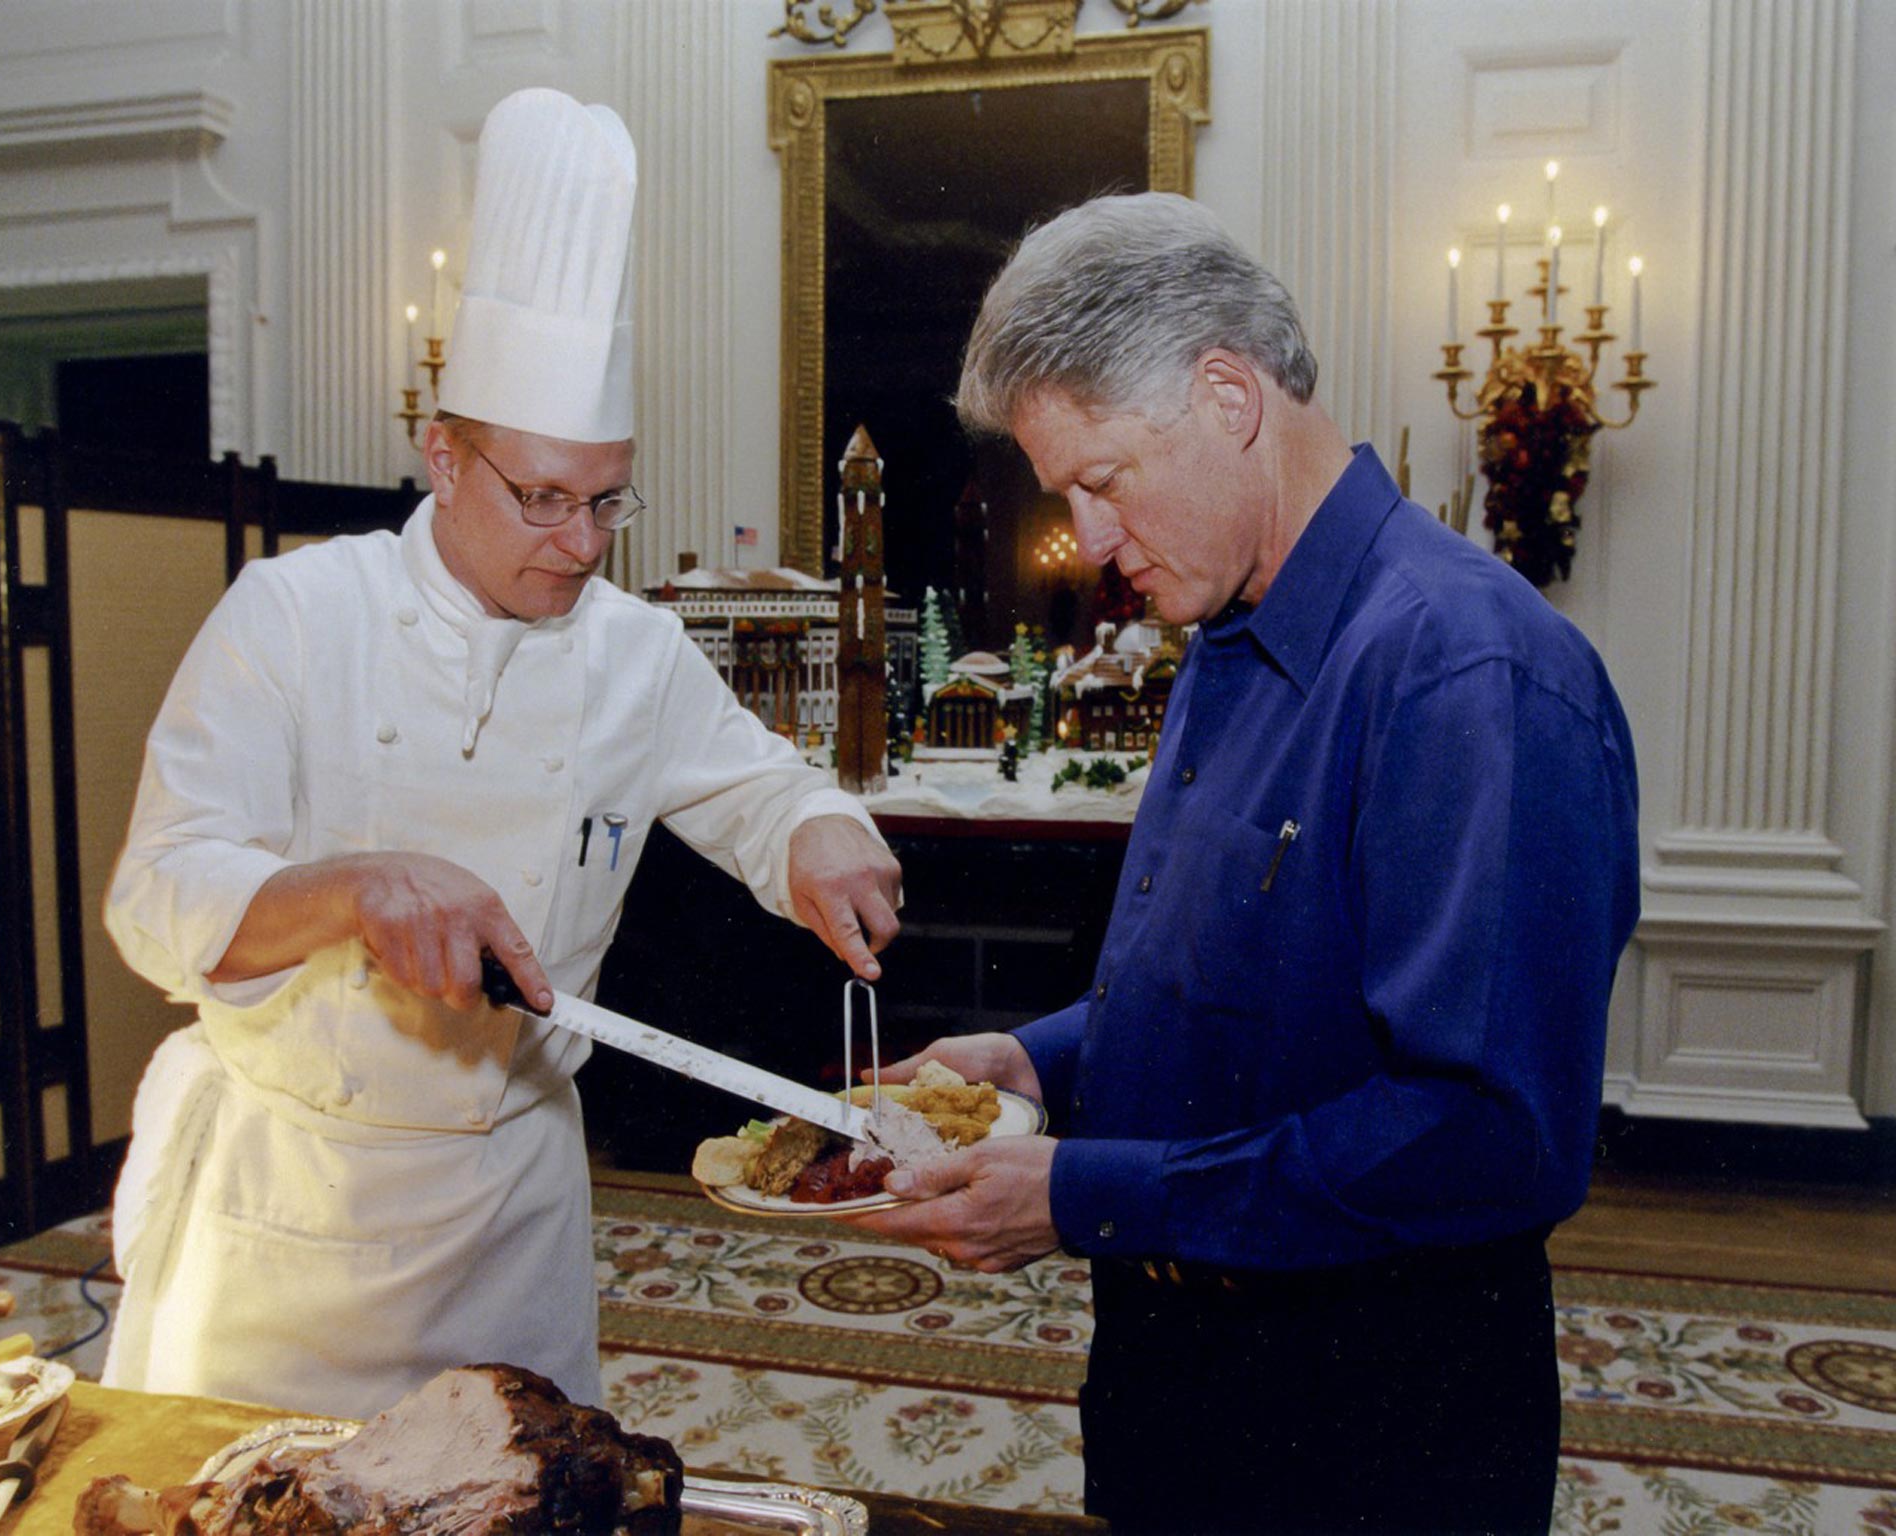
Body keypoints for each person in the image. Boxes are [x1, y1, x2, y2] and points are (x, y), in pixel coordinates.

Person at [847, 192, 1639, 1535]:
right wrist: (1040, 1062)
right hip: (1183, 1385)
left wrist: (1086, 1193)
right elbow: (1243, 994)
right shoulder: (1224, 633)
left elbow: (1491, 1137)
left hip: (1367, 1426)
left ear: (1228, 395)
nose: (1088, 543)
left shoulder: (1464, 670)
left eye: (1101, 480)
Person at [101, 89, 901, 1419]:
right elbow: (155, 900)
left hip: (514, 1211)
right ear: (441, 454)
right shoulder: (294, 615)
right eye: (542, 498)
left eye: (607, 500)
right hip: (292, 1208)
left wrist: (818, 833)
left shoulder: (634, 651)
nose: (582, 543)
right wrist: (348, 890)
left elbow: (759, 785)